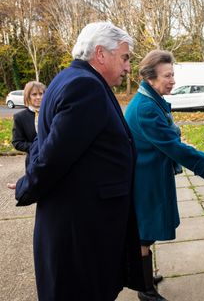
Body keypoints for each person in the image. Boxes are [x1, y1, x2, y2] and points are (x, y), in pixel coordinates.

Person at [13, 22, 145, 300]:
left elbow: (43, 140)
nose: (128, 67)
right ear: (100, 54)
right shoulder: (86, 87)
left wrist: (31, 177)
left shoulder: (68, 78)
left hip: (79, 221)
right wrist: (28, 186)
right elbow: (53, 155)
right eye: (124, 57)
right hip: (82, 230)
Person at [124, 49, 204, 301]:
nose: (173, 80)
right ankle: (145, 289)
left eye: (173, 74)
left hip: (151, 175)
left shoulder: (149, 100)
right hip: (146, 180)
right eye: (167, 76)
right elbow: (175, 148)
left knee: (148, 230)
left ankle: (144, 277)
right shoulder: (145, 108)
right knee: (143, 234)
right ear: (150, 78)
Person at [11, 81, 46, 167]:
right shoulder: (20, 117)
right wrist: (36, 147)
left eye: (41, 94)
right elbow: (17, 142)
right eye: (34, 94)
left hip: (54, 159)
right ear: (27, 96)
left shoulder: (51, 113)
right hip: (33, 162)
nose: (38, 97)